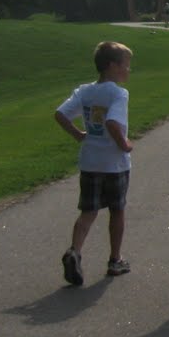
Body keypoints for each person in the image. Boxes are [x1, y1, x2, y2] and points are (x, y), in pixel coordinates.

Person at [53, 40, 135, 285]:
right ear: (112, 66)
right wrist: (124, 144)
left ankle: (75, 251)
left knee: (88, 211)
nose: (128, 70)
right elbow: (112, 122)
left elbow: (60, 114)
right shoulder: (118, 93)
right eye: (126, 65)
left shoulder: (85, 91)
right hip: (114, 163)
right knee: (117, 211)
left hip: (90, 161)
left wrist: (78, 134)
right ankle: (115, 259)